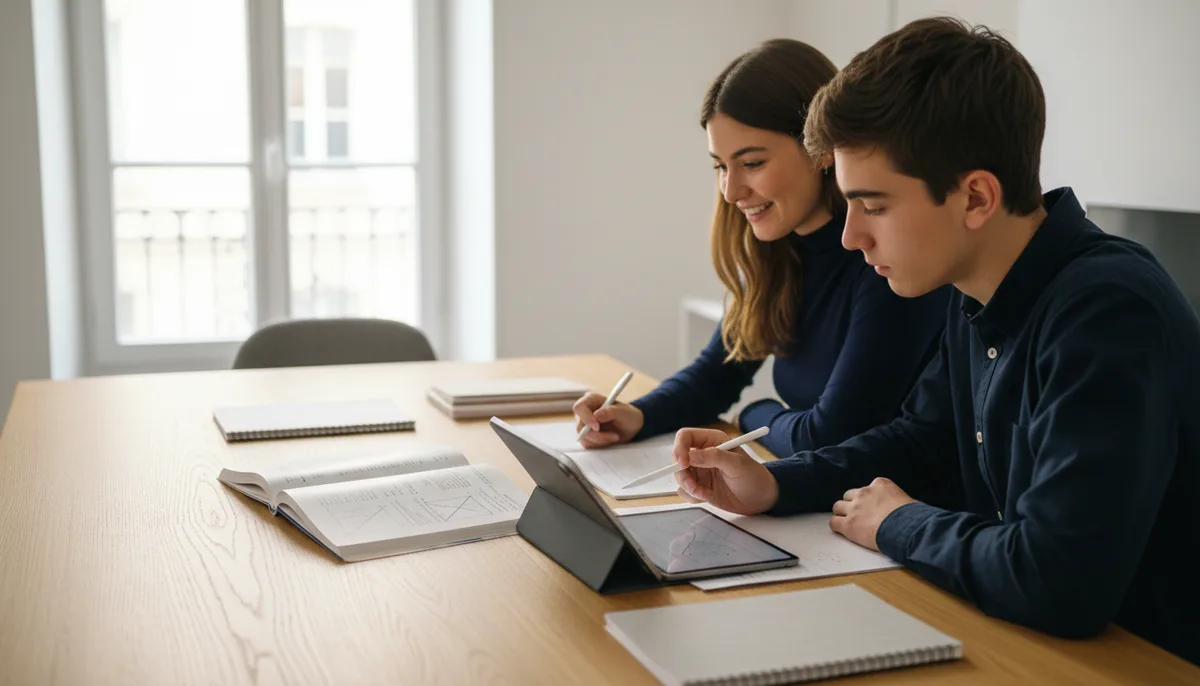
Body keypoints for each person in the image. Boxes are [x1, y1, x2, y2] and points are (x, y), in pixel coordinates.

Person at [670, 18, 1200, 665]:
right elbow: (920, 437)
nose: (850, 237)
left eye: (875, 205)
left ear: (975, 196)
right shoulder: (975, 287)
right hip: (1020, 636)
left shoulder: (1108, 310)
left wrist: (897, 522)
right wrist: (776, 485)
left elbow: (1059, 579)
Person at [573, 39, 950, 459]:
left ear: (821, 149)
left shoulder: (883, 264)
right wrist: (636, 414)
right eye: (720, 166)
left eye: (751, 163)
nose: (731, 191)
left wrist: (754, 414)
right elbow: (717, 374)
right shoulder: (775, 254)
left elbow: (827, 436)